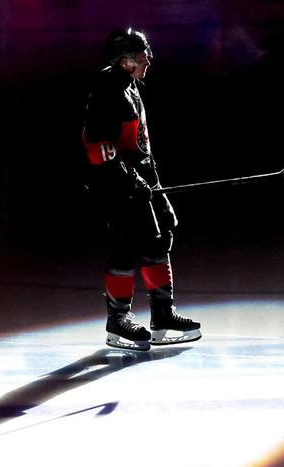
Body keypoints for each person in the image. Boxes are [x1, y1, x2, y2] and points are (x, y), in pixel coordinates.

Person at [82, 28, 201, 351]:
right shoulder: (107, 91)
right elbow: (97, 146)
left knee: (159, 238)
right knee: (123, 249)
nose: (148, 59)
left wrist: (155, 186)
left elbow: (140, 146)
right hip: (115, 187)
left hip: (142, 182)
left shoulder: (131, 86)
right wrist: (130, 181)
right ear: (125, 61)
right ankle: (117, 320)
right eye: (142, 54)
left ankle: (162, 316)